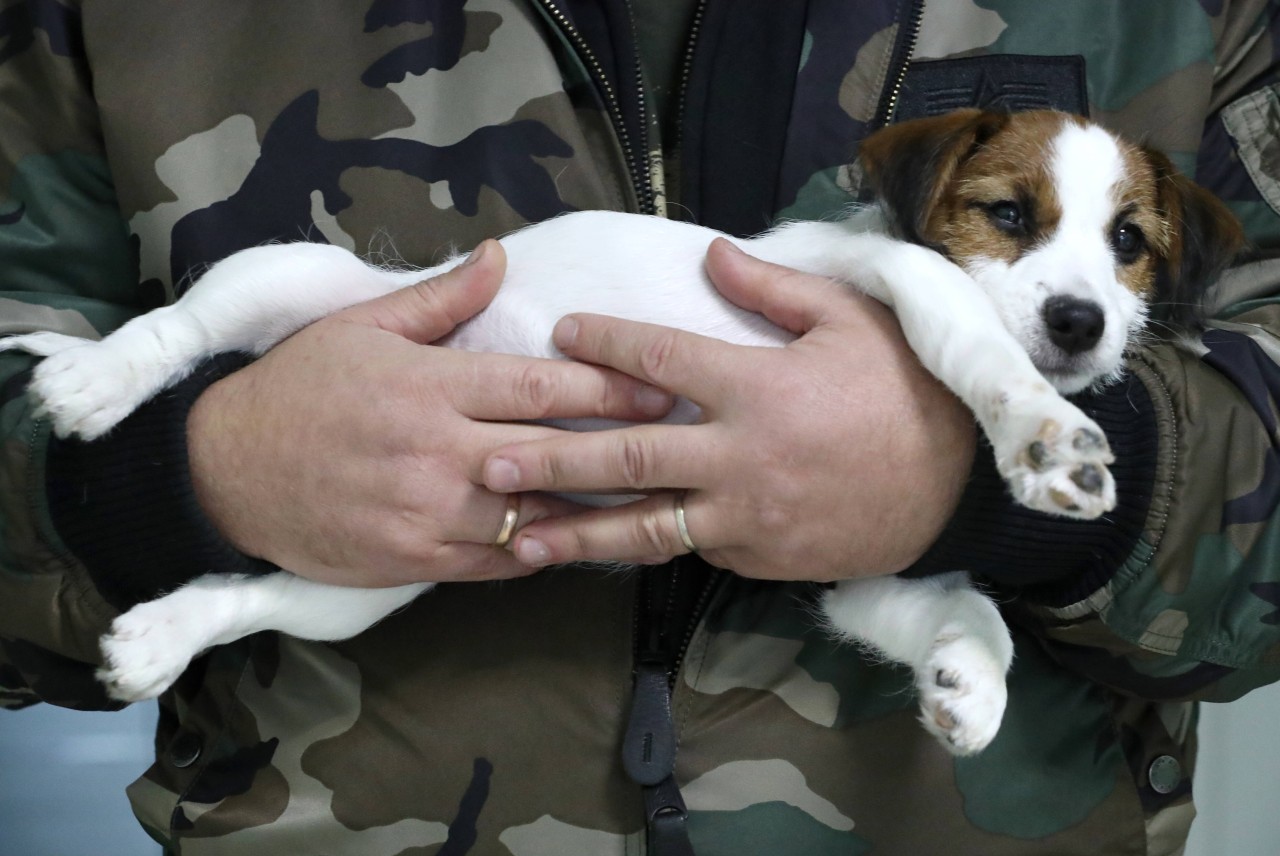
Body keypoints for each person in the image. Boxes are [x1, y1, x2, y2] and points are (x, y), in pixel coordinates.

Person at [1, 1, 1278, 853]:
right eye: (1013, 215)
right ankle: (167, 393)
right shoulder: (887, 263)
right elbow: (924, 290)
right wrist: (191, 473)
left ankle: (222, 609)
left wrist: (969, 499)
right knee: (281, 298)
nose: (1072, 286)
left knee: (358, 591)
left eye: (1123, 250)